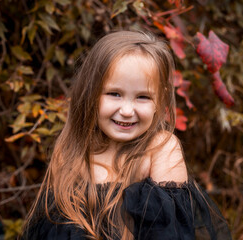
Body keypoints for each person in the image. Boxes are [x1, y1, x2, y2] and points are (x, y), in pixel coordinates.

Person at [21, 30, 232, 240]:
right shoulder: (72, 150)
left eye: (142, 97)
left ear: (160, 100)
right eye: (114, 94)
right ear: (91, 92)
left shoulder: (160, 149)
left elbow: (168, 232)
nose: (127, 111)